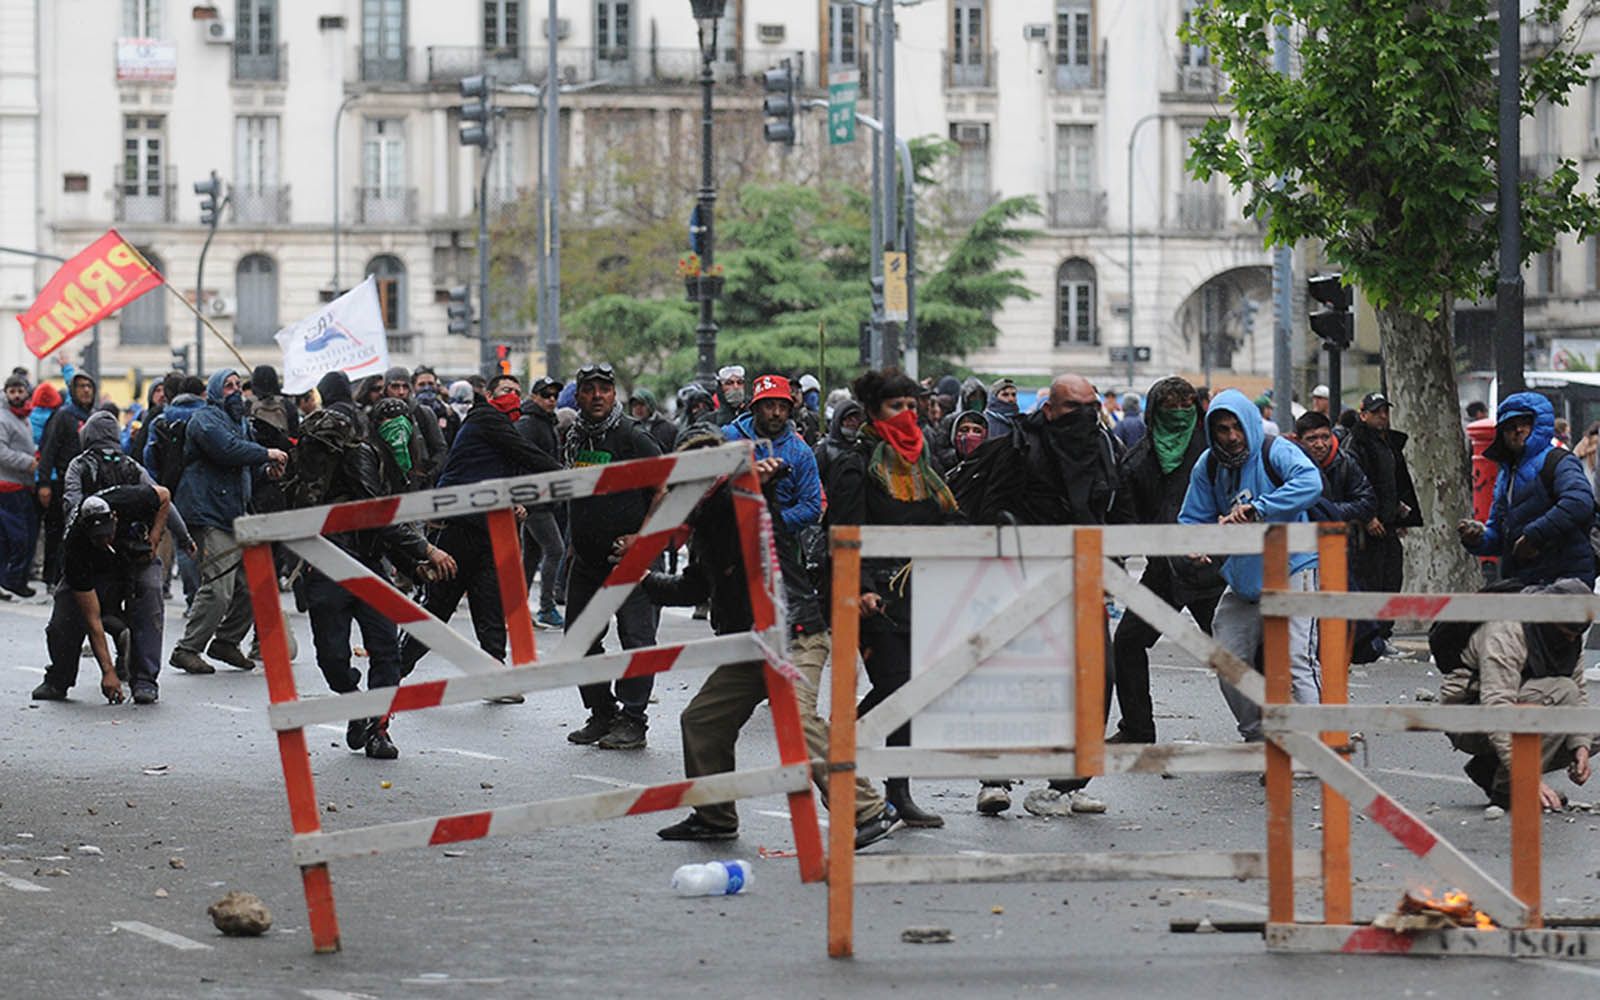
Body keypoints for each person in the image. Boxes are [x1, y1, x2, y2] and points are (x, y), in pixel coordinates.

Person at [651, 432, 899, 849]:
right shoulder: (706, 523)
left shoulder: (744, 501)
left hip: (796, 635)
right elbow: (695, 587)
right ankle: (714, 816)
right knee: (703, 720)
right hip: (753, 643)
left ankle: (870, 809)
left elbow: (758, 491)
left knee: (798, 721)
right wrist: (644, 580)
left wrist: (763, 475)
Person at [959, 374, 1123, 815]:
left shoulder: (1103, 446)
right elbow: (990, 513)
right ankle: (995, 779)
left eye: (1092, 407)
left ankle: (1071, 782)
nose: (1085, 417)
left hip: (1085, 581)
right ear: (1049, 408)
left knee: (1099, 674)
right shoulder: (1019, 447)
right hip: (1021, 583)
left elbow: (1112, 509)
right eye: (1074, 408)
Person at [292, 372, 458, 759]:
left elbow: (386, 527)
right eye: (390, 425)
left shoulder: (399, 470)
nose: (399, 435)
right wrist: (426, 551)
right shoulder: (363, 455)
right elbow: (376, 515)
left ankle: (379, 729)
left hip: (369, 564)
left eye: (405, 426)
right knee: (332, 658)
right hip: (331, 562)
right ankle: (354, 704)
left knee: (387, 651)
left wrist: (415, 566)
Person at [827, 368, 960, 827]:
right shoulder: (855, 462)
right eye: (894, 407)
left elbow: (945, 516)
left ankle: (897, 792)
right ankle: (837, 749)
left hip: (922, 587)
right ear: (871, 411)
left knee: (913, 689)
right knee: (897, 683)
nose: (907, 415)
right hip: (872, 594)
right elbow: (843, 534)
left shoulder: (926, 460)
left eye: (911, 405)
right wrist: (860, 586)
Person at [397, 372, 561, 687]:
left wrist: (516, 501)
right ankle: (395, 670)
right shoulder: (486, 418)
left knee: (490, 605)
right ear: (487, 394)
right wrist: (569, 477)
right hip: (458, 528)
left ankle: (495, 675)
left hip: (488, 530)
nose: (511, 396)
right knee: (438, 606)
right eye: (504, 390)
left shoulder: (503, 428)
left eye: (516, 391)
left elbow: (507, 471)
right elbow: (527, 455)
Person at [1179, 388, 1324, 742]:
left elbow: (1310, 482)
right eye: (1222, 429)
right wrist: (1196, 544)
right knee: (1226, 659)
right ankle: (1259, 736)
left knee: (1296, 661)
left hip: (1293, 567)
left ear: (1249, 424)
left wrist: (1261, 508)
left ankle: (1314, 743)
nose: (1231, 437)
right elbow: (1191, 519)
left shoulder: (1276, 450)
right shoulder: (1209, 464)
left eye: (1236, 427)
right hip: (1244, 578)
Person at [1108, 377, 1225, 746]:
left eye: (1185, 407)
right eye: (1169, 408)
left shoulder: (1214, 452)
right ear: (1154, 413)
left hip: (1215, 570)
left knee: (1235, 655)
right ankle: (1137, 729)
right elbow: (1126, 521)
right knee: (1127, 641)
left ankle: (1271, 731)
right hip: (1164, 572)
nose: (1178, 416)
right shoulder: (1138, 459)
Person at [562, 363, 666, 750]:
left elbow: (664, 488)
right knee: (578, 638)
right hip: (587, 562)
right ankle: (603, 712)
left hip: (632, 564)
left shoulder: (632, 438)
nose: (597, 396)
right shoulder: (573, 438)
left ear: (614, 394)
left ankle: (633, 719)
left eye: (604, 388)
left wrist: (643, 538)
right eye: (588, 389)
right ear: (579, 395)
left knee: (637, 638)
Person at [168, 369, 288, 675]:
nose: (236, 391)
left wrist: (265, 472)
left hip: (233, 513)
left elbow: (243, 468)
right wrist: (266, 454)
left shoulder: (241, 423)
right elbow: (227, 452)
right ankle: (187, 649)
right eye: (229, 386)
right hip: (209, 513)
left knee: (253, 585)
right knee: (219, 587)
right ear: (216, 392)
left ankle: (226, 642)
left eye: (239, 385)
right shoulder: (205, 420)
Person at [33, 476, 192, 706]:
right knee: (64, 617)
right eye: (98, 538)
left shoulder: (130, 499)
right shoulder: (74, 548)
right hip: (93, 567)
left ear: (115, 517)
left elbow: (165, 495)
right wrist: (108, 672)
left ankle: (145, 681)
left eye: (108, 533)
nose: (105, 540)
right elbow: (92, 620)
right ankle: (59, 678)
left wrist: (155, 538)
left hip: (134, 551)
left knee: (149, 593)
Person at [1439, 580, 1591, 810]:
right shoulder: (1508, 630)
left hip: (1523, 702)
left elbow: (1580, 693)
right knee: (1562, 692)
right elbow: (1497, 707)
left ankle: (1491, 769)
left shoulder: (1570, 634)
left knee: (1590, 728)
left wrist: (1581, 748)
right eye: (1566, 633)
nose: (1570, 640)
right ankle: (1509, 789)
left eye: (1576, 634)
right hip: (1469, 716)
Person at [1459, 391, 1598, 588]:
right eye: (1509, 426)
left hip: (1564, 581)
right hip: (1523, 581)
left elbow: (1579, 502)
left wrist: (1535, 536)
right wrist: (1477, 538)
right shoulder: (1506, 475)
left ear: (1538, 424)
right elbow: (1499, 535)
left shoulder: (1558, 461)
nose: (1517, 430)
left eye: (1525, 423)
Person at [1343, 392, 1422, 657]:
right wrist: (1368, 517)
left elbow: (1393, 482)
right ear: (1363, 414)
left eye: (1385, 411)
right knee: (1372, 580)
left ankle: (1381, 634)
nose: (1383, 416)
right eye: (1376, 412)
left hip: (1387, 524)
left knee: (1391, 578)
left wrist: (1400, 514)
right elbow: (1354, 484)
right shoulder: (1357, 444)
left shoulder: (1385, 443)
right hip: (1368, 528)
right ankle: (1371, 637)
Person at [722, 374, 822, 533]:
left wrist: (771, 522)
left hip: (780, 543)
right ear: (755, 409)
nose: (776, 413)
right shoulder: (728, 438)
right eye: (769, 406)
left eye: (783, 407)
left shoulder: (800, 452)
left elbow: (811, 506)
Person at [36, 372, 96, 585]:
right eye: (81, 386)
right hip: (63, 482)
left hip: (90, 484)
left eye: (89, 386)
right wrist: (44, 483)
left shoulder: (94, 417)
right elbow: (49, 450)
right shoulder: (63, 416)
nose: (86, 390)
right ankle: (53, 578)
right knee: (57, 532)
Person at [517, 375, 566, 629]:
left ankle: (518, 609)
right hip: (534, 499)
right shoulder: (529, 423)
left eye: (554, 396)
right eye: (545, 395)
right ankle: (546, 607)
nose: (551, 399)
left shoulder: (543, 422)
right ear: (534, 396)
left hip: (540, 498)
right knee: (555, 549)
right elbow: (523, 460)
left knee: (531, 557)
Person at [0, 373, 38, 598]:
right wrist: (28, 463)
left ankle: (12, 580)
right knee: (17, 538)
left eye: (19, 391)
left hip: (21, 486)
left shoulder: (23, 417)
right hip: (8, 487)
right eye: (11, 391)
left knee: (16, 538)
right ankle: (12, 580)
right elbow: (2, 452)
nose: (16, 395)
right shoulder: (4, 419)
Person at [814, 398, 864, 497]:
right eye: (848, 419)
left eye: (856, 419)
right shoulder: (825, 449)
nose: (853, 423)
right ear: (839, 421)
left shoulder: (862, 448)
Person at [628, 387, 678, 454]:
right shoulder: (629, 430)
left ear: (651, 404)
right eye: (634, 405)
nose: (637, 408)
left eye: (641, 404)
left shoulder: (669, 428)